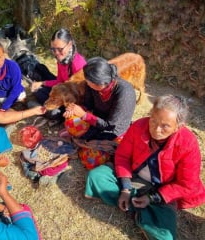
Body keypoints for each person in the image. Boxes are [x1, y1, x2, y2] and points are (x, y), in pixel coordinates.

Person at [85, 94, 205, 239]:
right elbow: (123, 156)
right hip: (133, 177)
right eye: (153, 121)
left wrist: (153, 197)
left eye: (165, 126)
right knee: (96, 176)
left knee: (165, 236)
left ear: (178, 127)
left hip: (162, 190)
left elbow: (186, 185)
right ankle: (138, 206)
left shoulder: (188, 143)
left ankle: (138, 207)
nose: (156, 129)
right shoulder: (139, 126)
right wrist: (125, 188)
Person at [30, 28, 86, 121]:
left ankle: (43, 109)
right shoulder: (61, 60)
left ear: (69, 44)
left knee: (54, 113)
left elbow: (82, 97)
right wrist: (41, 83)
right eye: (53, 49)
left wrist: (71, 109)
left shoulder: (78, 64)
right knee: (38, 90)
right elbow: (59, 81)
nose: (56, 53)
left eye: (60, 49)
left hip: (73, 100)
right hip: (63, 93)